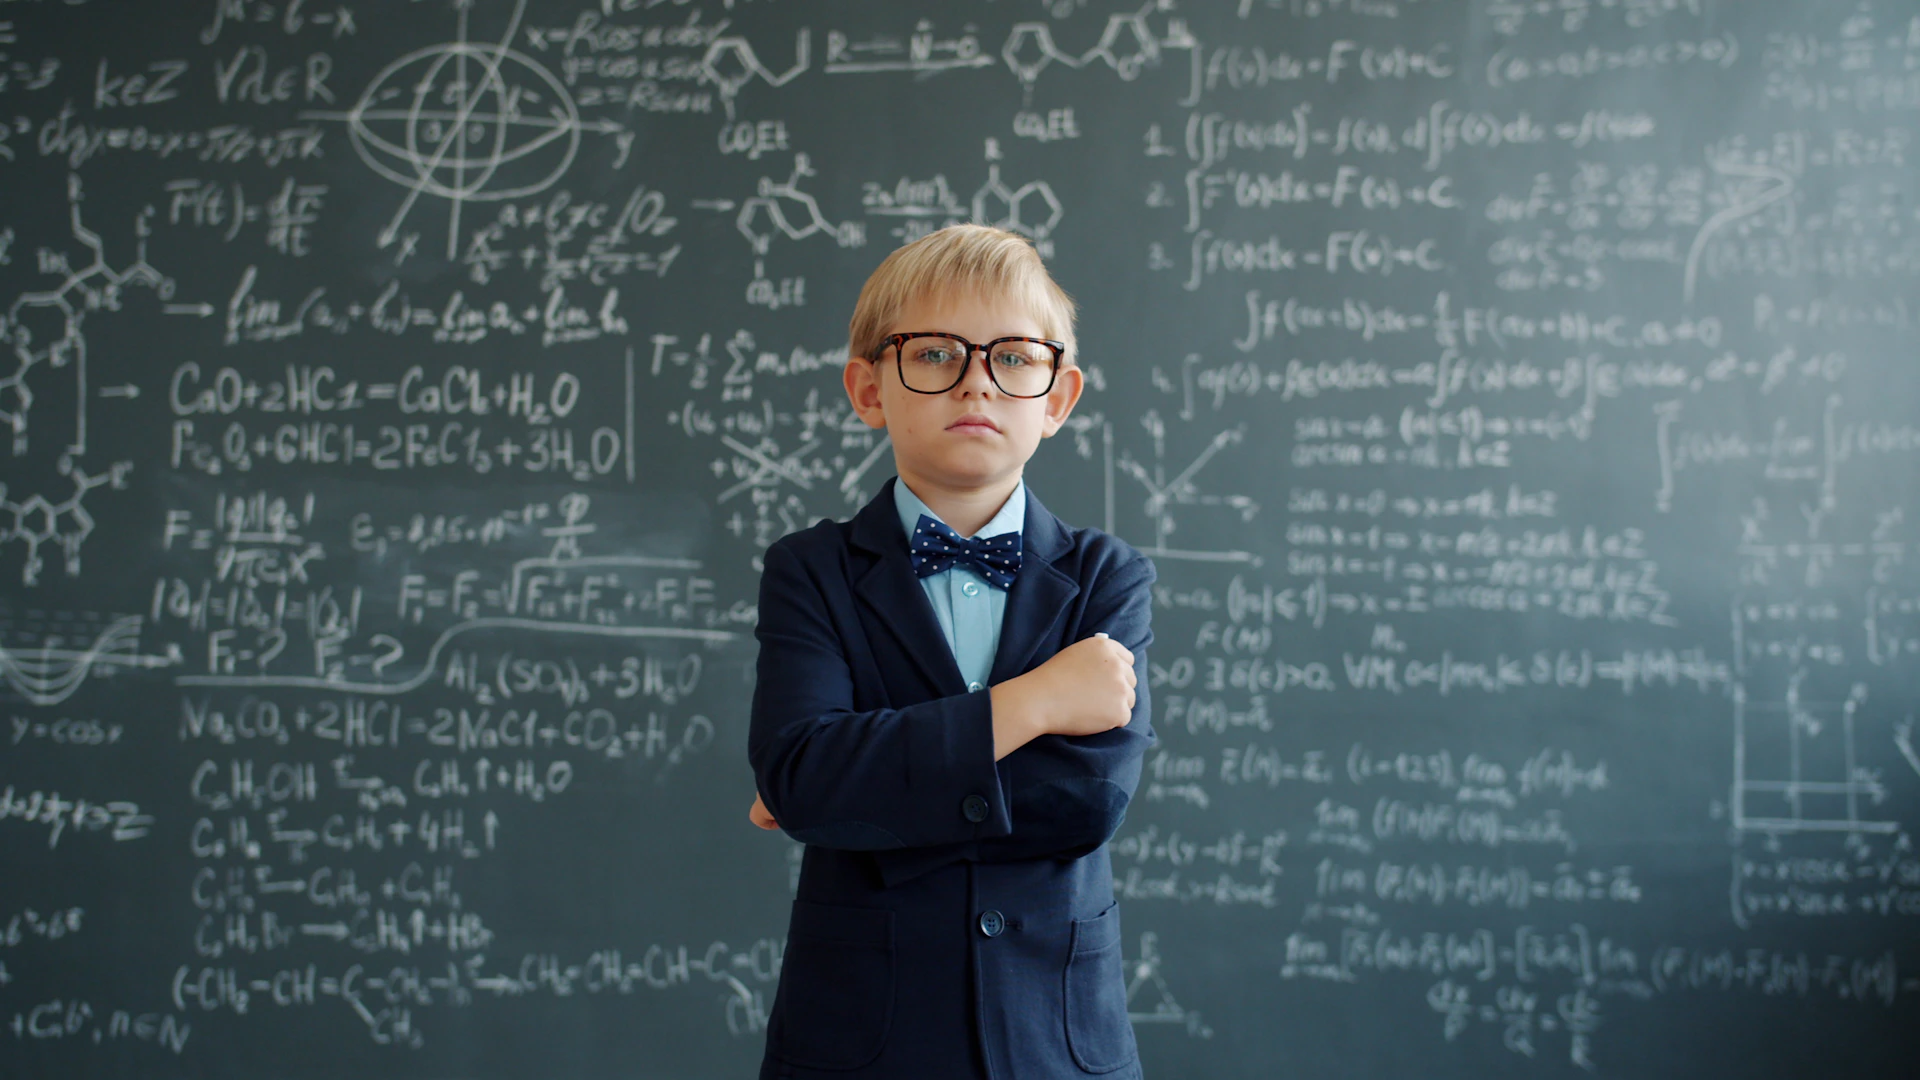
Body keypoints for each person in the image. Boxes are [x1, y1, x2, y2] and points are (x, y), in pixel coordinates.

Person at [744, 223, 1157, 1079]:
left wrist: (866, 790)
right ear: (868, 388)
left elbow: (1086, 805)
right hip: (859, 1043)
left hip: (1059, 1043)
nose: (976, 380)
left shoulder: (1106, 578)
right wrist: (1032, 705)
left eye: (1013, 357)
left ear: (1057, 397)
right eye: (933, 354)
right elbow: (806, 779)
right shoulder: (810, 570)